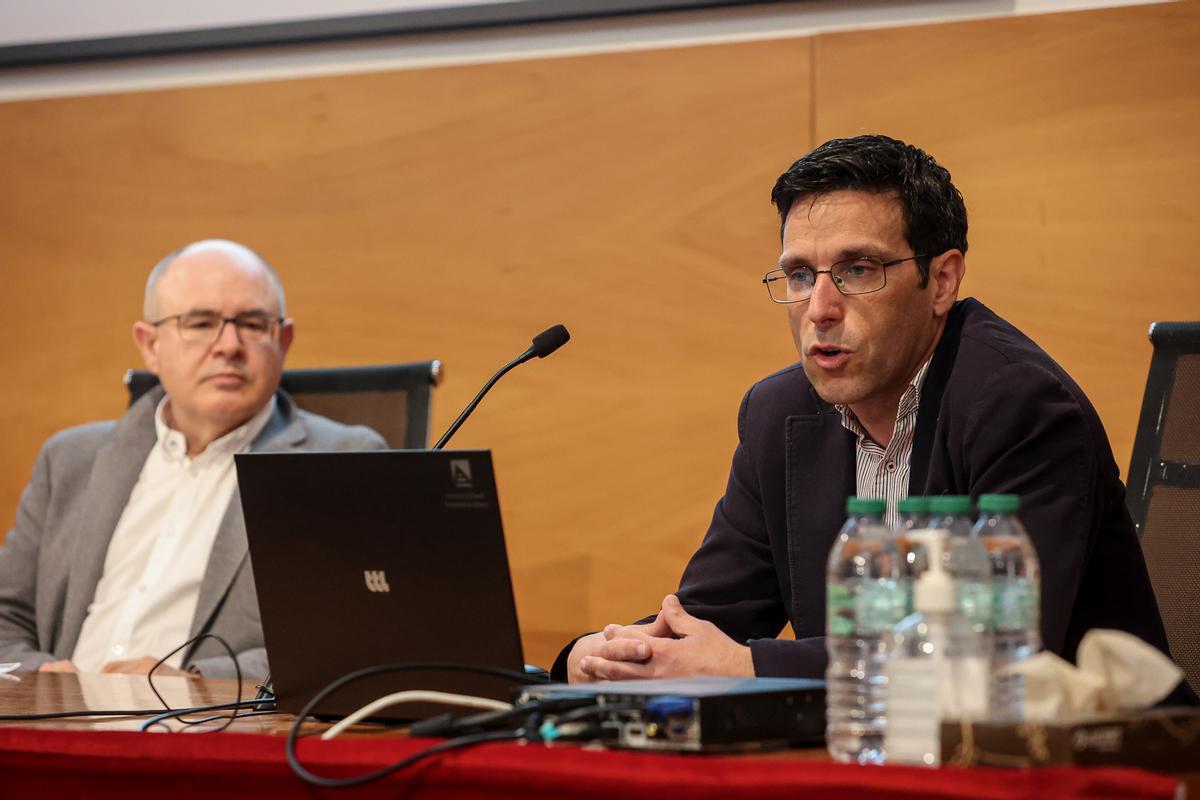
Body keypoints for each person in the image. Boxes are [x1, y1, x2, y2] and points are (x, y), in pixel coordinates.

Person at [556, 134, 1175, 688]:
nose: (820, 307)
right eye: (799, 275)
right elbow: (712, 621)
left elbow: (986, 650)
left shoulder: (1020, 406)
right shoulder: (779, 415)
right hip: (878, 752)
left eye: (857, 269)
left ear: (941, 281)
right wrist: (599, 654)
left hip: (1086, 762)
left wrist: (748, 665)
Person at [0, 239, 385, 679]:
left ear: (285, 340)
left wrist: (194, 681)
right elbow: (6, 614)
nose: (229, 345)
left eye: (253, 324)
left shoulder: (341, 463)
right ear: (149, 345)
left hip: (205, 732)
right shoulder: (70, 460)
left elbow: (358, 641)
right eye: (200, 323)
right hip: (51, 730)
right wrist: (41, 677)